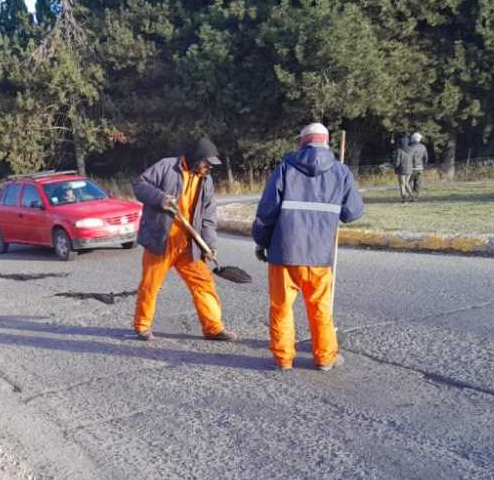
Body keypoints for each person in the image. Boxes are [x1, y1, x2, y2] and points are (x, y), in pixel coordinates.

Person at [252, 123, 364, 372]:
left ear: (301, 142)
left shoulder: (285, 168)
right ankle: (325, 358)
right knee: (320, 308)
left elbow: (267, 211)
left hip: (284, 254)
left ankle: (283, 359)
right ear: (326, 142)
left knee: (281, 307)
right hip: (319, 256)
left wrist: (261, 240)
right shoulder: (341, 172)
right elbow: (353, 212)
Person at [132, 136, 238, 342]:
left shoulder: (205, 180)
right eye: (206, 163)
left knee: (204, 284)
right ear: (196, 158)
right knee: (150, 285)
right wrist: (160, 198)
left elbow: (208, 215)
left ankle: (213, 328)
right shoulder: (166, 167)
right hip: (161, 242)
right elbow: (139, 185)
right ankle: (142, 326)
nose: (209, 168)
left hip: (189, 245)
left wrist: (209, 244)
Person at [393, 135, 414, 202]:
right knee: (407, 183)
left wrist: (395, 167)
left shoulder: (399, 150)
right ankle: (412, 195)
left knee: (402, 184)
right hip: (410, 169)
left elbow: (397, 161)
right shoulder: (411, 149)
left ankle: (404, 198)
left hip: (401, 169)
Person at [408, 132, 429, 200]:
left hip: (412, 167)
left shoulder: (411, 147)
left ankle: (411, 196)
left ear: (413, 139)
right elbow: (426, 157)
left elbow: (409, 157)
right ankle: (416, 196)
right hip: (420, 167)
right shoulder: (423, 147)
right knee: (418, 183)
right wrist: (424, 165)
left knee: (409, 182)